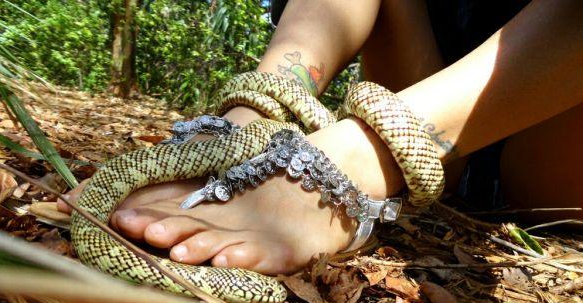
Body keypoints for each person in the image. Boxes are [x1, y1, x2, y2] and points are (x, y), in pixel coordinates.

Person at [59, 0, 583, 275]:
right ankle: (251, 124)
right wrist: (258, 113)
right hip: (440, 133)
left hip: (550, 172)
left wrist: (360, 146)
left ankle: (362, 155)